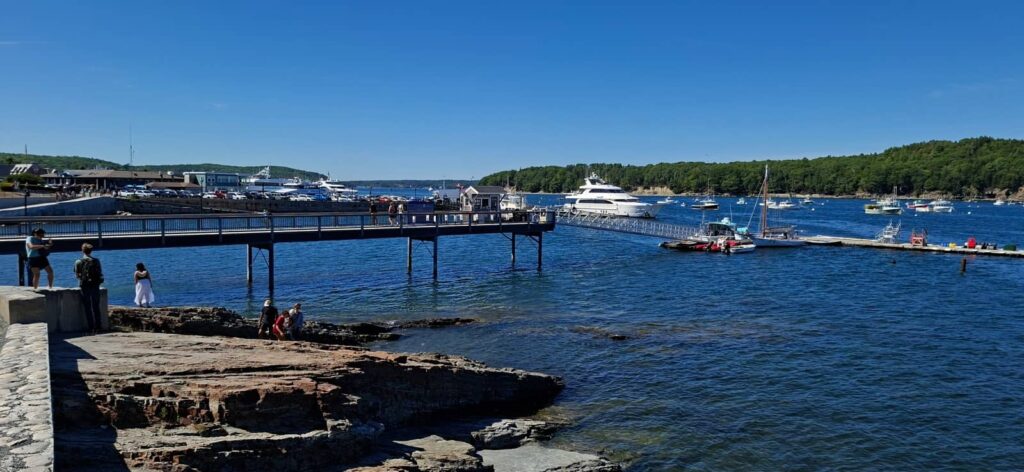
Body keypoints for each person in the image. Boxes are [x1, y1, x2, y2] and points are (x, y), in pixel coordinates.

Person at [73, 243, 104, 334]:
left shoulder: (78, 261)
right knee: (96, 306)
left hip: (84, 285)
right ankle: (98, 327)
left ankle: (91, 328)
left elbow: (77, 275)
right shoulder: (96, 261)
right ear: (91, 251)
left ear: (82, 250)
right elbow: (100, 272)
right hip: (95, 285)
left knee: (87, 307)